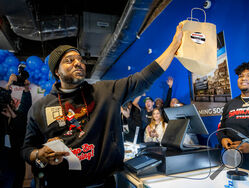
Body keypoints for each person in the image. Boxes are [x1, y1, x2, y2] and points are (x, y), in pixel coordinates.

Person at [21, 23, 183, 187]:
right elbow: (27, 149)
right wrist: (38, 154)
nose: (78, 63)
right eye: (69, 60)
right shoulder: (39, 108)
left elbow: (143, 78)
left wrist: (173, 47)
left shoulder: (105, 91)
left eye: (80, 60)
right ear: (57, 71)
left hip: (104, 184)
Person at [0, 74, 32, 188]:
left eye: (12, 101)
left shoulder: (18, 116)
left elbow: (26, 105)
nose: (12, 103)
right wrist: (9, 84)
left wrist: (26, 88)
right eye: (10, 101)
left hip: (16, 159)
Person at [217, 62, 249, 170]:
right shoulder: (230, 104)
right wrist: (223, 139)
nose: (243, 78)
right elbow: (221, 129)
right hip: (232, 162)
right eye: (241, 76)